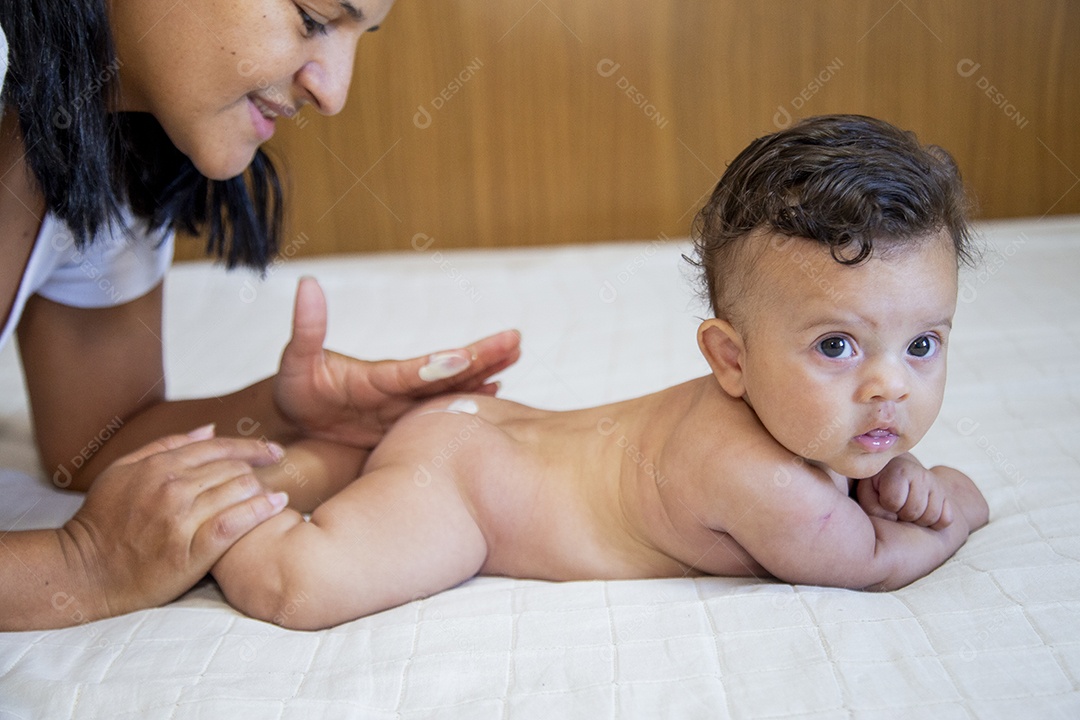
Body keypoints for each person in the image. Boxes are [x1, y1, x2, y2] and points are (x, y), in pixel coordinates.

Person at [212, 114, 991, 631]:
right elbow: (875, 563)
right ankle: (223, 520)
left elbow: (858, 483)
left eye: (922, 345)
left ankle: (314, 469)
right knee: (305, 588)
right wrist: (951, 500)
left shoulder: (801, 425)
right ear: (730, 360)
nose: (889, 385)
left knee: (366, 490)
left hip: (481, 432)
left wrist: (891, 471)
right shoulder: (770, 484)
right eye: (836, 347)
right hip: (465, 494)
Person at [0, 0, 521, 631]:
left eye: (362, 36)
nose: (334, 92)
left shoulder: (104, 150)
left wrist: (281, 413)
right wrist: (82, 566)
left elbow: (93, 441)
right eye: (314, 18)